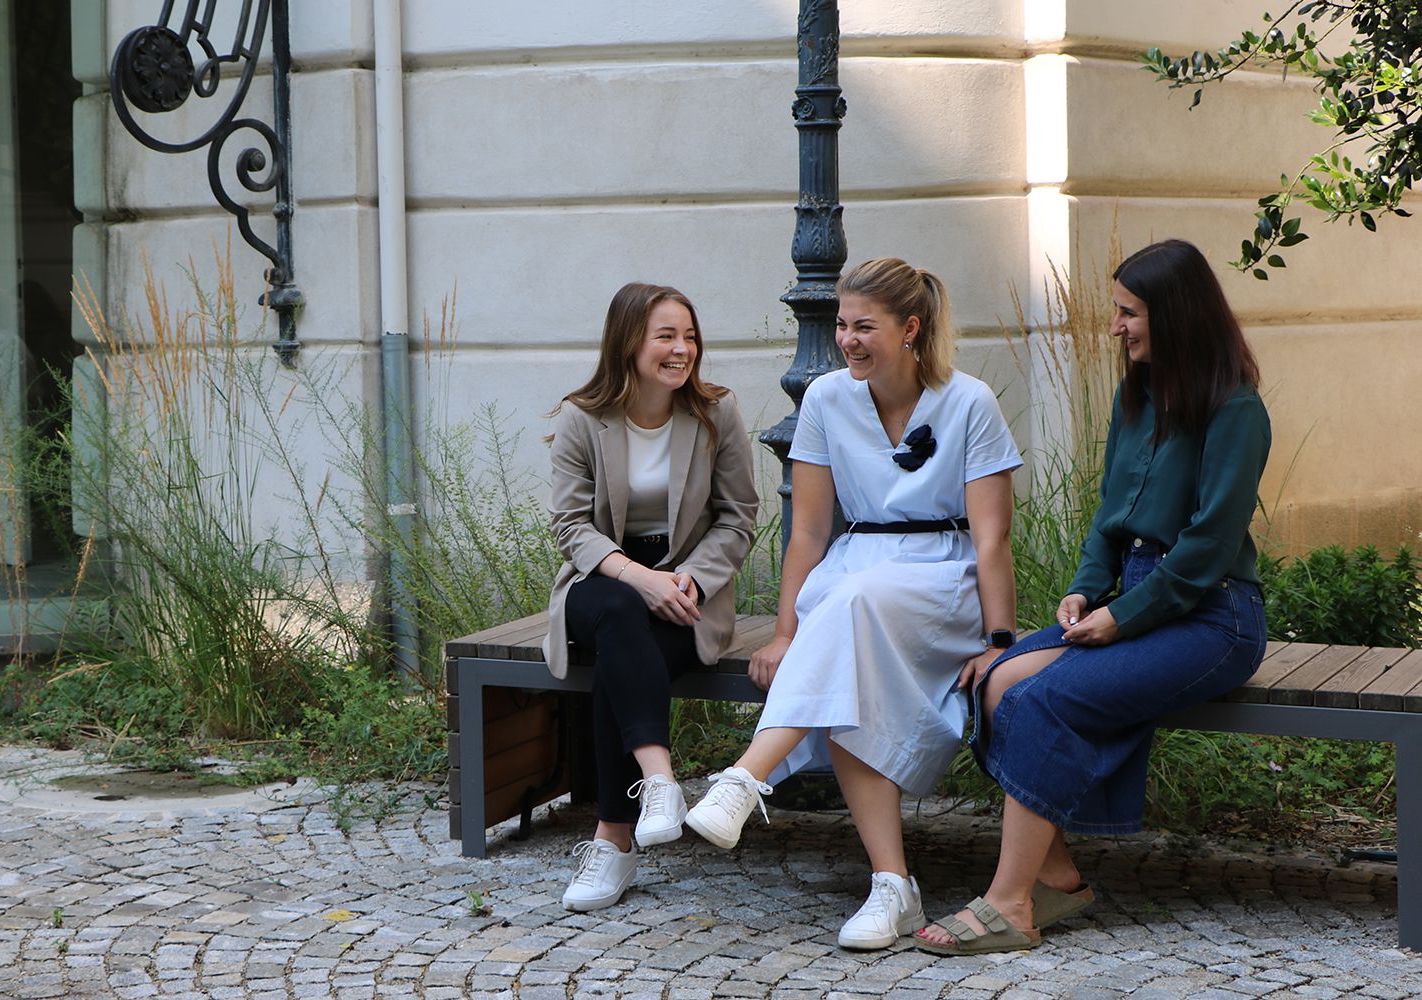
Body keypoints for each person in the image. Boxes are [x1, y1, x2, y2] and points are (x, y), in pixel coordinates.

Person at [916, 238, 1271, 955]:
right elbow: (1110, 521)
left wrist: (1122, 617)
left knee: (1042, 698)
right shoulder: (1134, 398)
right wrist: (1085, 591)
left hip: (1213, 617)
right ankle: (1058, 875)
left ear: (1175, 315)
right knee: (992, 680)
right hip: (1136, 596)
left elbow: (1204, 552)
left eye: (1128, 312)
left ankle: (1009, 903)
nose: (1115, 327)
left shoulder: (1235, 410)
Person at [681, 258, 1024, 949]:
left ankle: (747, 776)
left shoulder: (969, 403)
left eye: (864, 325)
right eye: (841, 323)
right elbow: (808, 530)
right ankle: (891, 885)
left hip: (941, 578)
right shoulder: (827, 400)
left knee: (850, 607)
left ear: (911, 329)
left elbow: (991, 538)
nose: (846, 339)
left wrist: (999, 641)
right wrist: (783, 632)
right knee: (847, 621)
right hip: (855, 573)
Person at [545, 281, 758, 912]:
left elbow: (737, 516)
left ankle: (613, 842)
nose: (682, 348)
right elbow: (568, 525)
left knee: (621, 656)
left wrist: (688, 577)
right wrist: (638, 577)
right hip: (603, 580)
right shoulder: (584, 417)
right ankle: (660, 781)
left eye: (689, 335)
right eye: (666, 335)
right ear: (629, 341)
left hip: (690, 587)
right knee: (617, 614)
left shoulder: (717, 413)